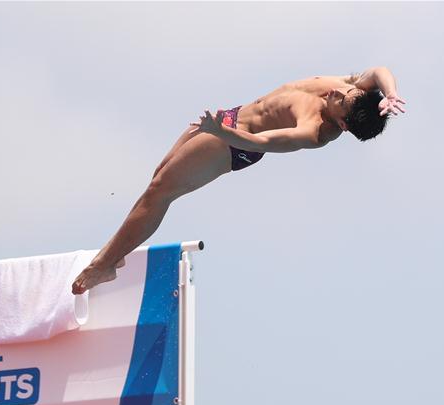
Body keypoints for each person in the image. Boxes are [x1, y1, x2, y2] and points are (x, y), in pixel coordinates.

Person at [71, 66, 406, 294]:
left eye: (341, 100)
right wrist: (390, 93)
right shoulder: (355, 92)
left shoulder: (315, 131)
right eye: (346, 91)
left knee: (160, 193)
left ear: (343, 124)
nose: (336, 91)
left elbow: (261, 143)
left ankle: (104, 265)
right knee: (159, 177)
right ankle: (117, 253)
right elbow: (379, 71)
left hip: (233, 141)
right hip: (233, 117)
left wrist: (220, 131)